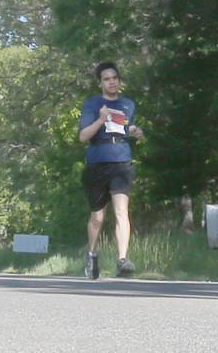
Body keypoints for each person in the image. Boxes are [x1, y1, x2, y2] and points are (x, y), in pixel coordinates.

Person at [78, 61, 144, 279]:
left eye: (114, 78)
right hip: (97, 161)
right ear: (101, 83)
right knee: (97, 217)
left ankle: (123, 259)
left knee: (121, 211)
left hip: (121, 160)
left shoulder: (128, 104)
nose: (111, 82)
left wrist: (135, 131)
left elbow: (128, 127)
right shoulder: (92, 104)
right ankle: (92, 255)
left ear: (119, 81)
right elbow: (83, 136)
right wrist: (101, 118)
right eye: (106, 79)